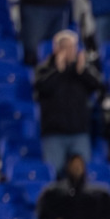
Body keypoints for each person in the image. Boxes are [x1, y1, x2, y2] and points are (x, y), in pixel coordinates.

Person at [35, 30, 102, 175]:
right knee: (54, 172)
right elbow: (41, 88)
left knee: (82, 173)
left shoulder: (80, 69)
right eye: (68, 47)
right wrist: (58, 71)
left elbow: (97, 85)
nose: (72, 51)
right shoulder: (45, 69)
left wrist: (83, 71)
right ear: (57, 49)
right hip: (54, 134)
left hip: (79, 132)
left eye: (74, 47)